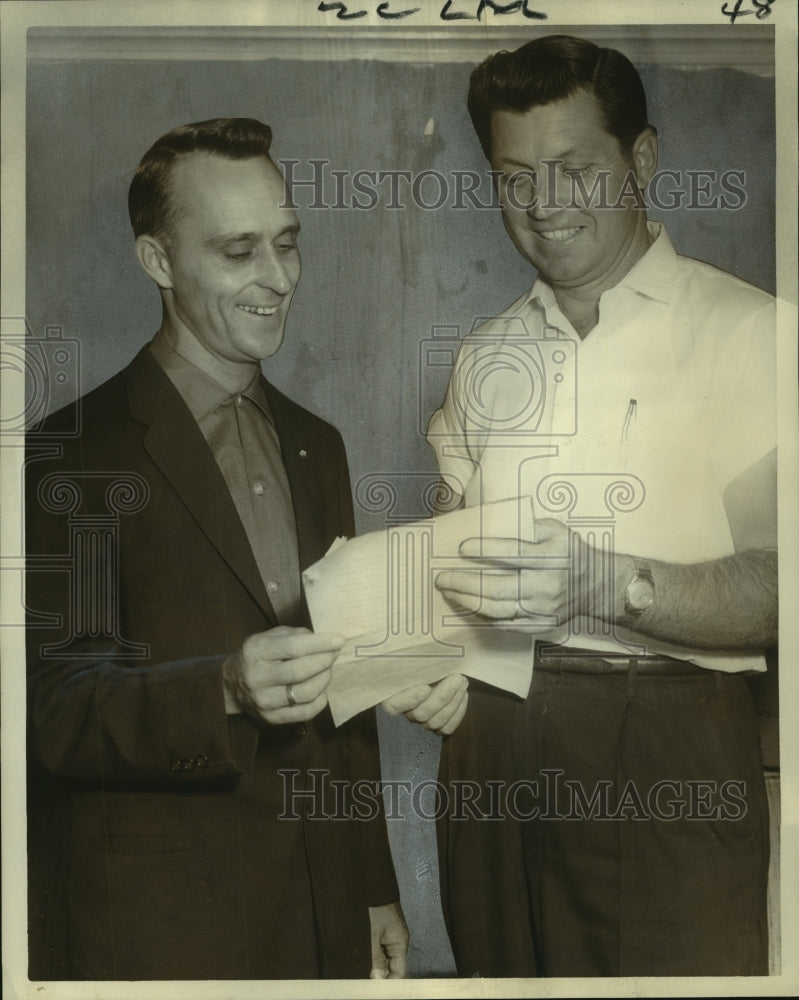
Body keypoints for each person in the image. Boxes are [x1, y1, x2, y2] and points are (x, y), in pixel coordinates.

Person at [25, 117, 416, 981]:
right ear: (157, 263)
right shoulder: (73, 452)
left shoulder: (321, 444)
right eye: (239, 252)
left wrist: (370, 885)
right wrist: (225, 689)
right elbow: (52, 712)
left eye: (286, 243)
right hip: (160, 929)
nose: (278, 280)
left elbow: (341, 704)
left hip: (318, 915)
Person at [427, 35, 776, 977]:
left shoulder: (752, 333)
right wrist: (416, 656)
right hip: (487, 747)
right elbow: (443, 566)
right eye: (514, 176)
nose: (544, 205)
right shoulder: (481, 355)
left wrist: (609, 585)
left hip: (665, 744)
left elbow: (782, 584)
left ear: (642, 161)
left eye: (574, 169)